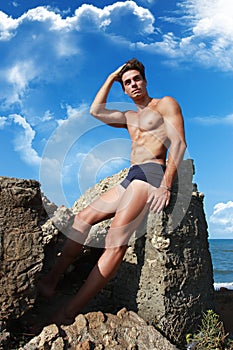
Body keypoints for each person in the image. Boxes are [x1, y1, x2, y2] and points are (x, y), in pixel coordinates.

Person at [38, 58, 186, 325]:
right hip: (131, 175)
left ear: (145, 80)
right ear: (125, 89)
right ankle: (50, 282)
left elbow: (178, 143)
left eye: (136, 79)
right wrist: (110, 77)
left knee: (115, 242)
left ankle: (68, 312)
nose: (133, 85)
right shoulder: (129, 116)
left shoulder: (165, 104)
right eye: (127, 82)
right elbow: (96, 111)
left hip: (151, 173)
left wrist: (165, 184)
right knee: (82, 218)